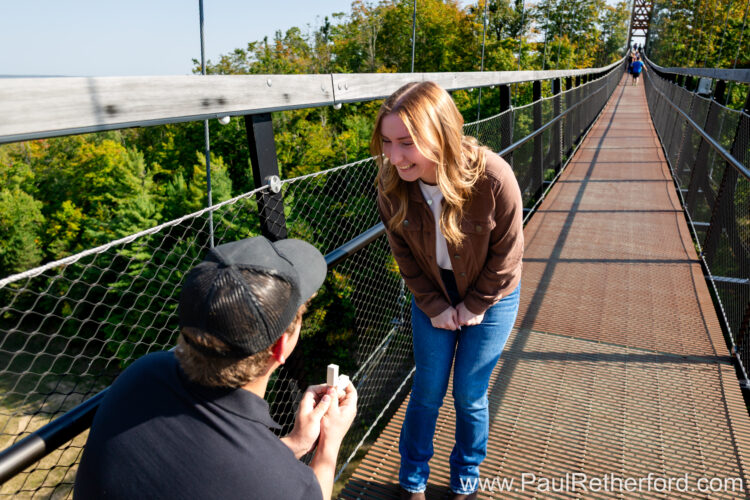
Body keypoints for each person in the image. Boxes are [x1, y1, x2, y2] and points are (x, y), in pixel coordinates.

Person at [74, 236, 357, 500]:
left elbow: (200, 471)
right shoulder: (282, 486)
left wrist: (295, 444)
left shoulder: (140, 376)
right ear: (280, 346)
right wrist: (329, 443)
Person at [372, 81, 523, 500]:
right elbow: (403, 255)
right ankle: (412, 480)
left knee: (469, 394)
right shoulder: (391, 184)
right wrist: (436, 305)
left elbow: (508, 256)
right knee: (427, 391)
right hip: (432, 295)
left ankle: (465, 480)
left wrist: (474, 305)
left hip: (492, 296)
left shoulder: (493, 178)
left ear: (441, 134)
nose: (394, 156)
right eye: (386, 142)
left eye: (406, 142)